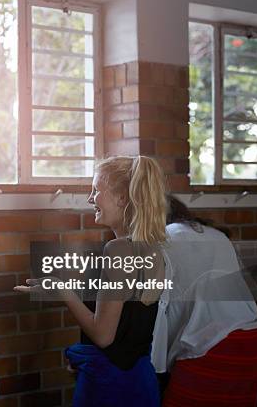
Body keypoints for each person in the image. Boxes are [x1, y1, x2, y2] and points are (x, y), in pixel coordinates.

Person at [16, 156, 168, 407]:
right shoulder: (153, 249)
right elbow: (128, 330)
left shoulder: (118, 249)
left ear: (121, 198)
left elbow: (103, 335)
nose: (90, 198)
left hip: (111, 384)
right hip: (140, 380)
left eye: (96, 190)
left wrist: (63, 291)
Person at [152, 195, 257, 407]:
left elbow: (158, 308)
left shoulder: (163, 240)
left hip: (208, 348)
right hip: (251, 341)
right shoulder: (215, 235)